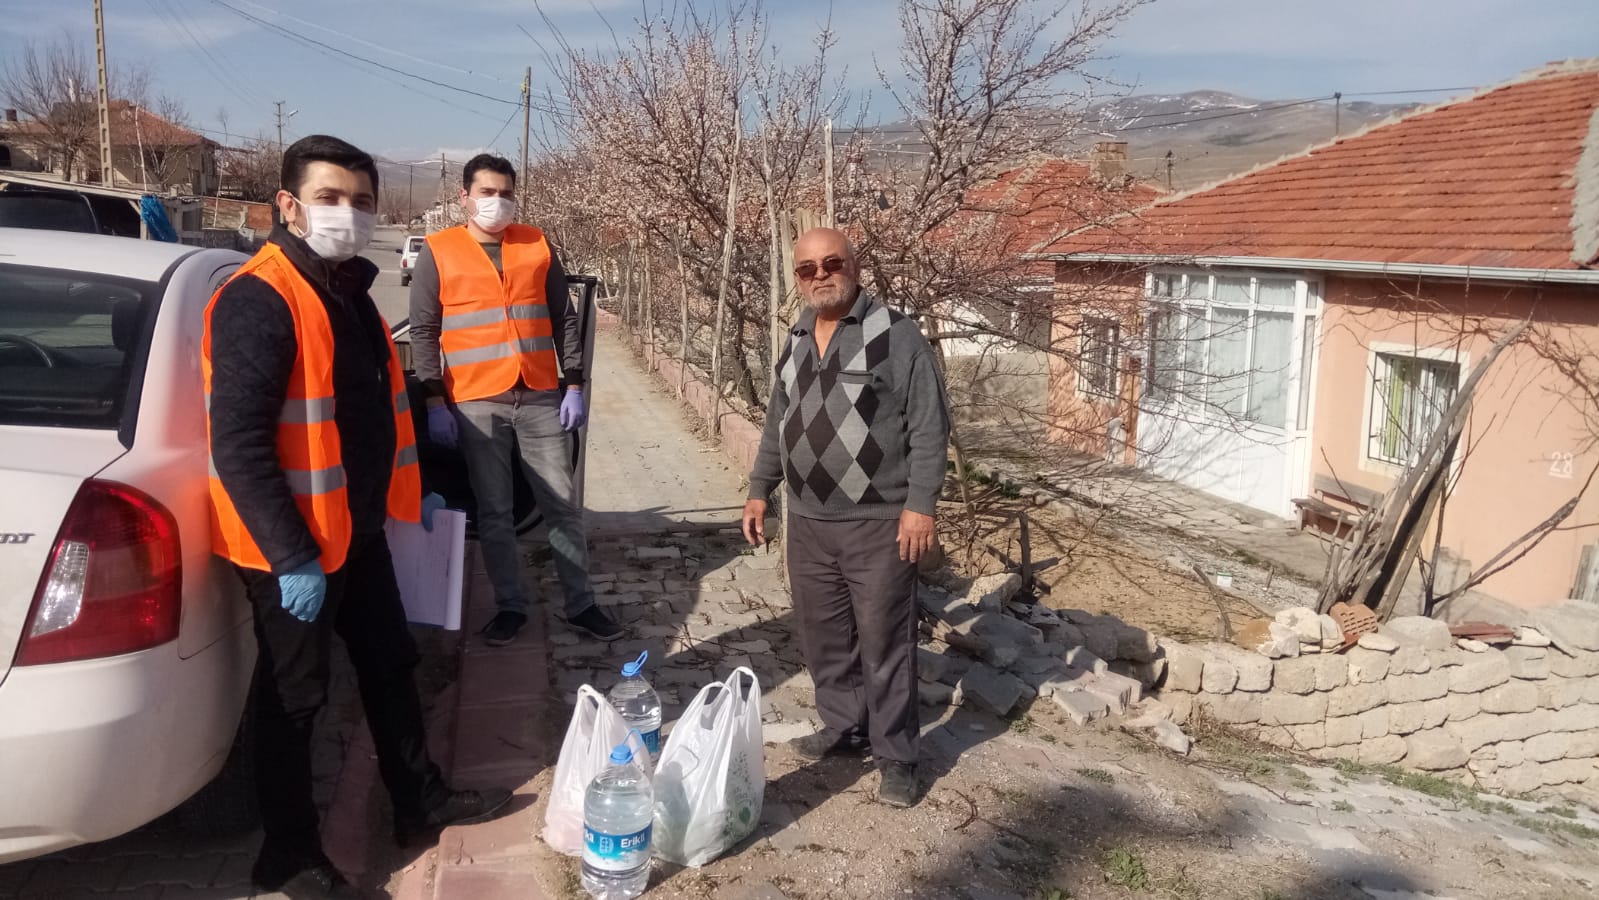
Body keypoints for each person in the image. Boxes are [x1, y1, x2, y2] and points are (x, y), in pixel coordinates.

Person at [205, 135, 511, 899]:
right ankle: (288, 855)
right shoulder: (259, 298)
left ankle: (418, 800)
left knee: (389, 662)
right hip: (289, 548)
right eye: (330, 198)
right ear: (288, 206)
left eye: (362, 200)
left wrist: (413, 491)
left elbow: (373, 411)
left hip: (354, 530)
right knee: (294, 698)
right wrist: (290, 556)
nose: (349, 213)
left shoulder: (348, 293)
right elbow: (238, 444)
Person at [741, 228, 951, 809]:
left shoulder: (897, 336)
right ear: (797, 277)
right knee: (824, 636)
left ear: (854, 267)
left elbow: (929, 427)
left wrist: (921, 506)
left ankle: (897, 757)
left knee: (885, 641)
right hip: (808, 521)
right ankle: (844, 726)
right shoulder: (797, 336)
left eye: (831, 263)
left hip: (878, 522)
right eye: (807, 268)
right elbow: (778, 421)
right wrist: (759, 490)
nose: (820, 275)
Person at [408, 153, 622, 647]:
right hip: (476, 402)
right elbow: (424, 331)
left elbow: (563, 318)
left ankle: (582, 605)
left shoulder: (536, 243)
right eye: (487, 192)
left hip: (540, 396)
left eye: (506, 193)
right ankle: (510, 607)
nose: (498, 201)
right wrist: (435, 401)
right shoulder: (439, 250)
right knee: (495, 511)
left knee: (561, 506)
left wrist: (574, 385)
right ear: (464, 197)